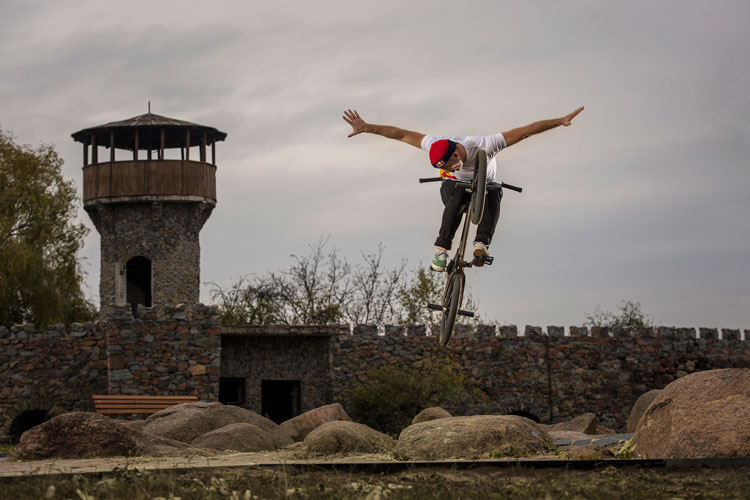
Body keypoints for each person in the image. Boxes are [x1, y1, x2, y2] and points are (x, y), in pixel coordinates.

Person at [342, 107, 583, 271]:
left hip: (485, 186)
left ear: (456, 155)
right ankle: (441, 250)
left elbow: (526, 131)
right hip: (453, 190)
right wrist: (367, 127)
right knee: (455, 188)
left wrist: (559, 122)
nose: (449, 168)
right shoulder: (436, 145)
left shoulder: (486, 145)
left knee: (495, 190)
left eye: (449, 165)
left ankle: (481, 245)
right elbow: (402, 135)